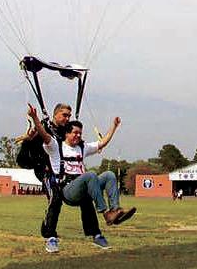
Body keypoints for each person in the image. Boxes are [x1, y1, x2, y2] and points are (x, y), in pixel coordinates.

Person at [28, 103, 135, 252]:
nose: (78, 136)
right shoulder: (55, 147)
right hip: (68, 190)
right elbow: (44, 134)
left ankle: (115, 210)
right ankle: (105, 213)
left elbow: (102, 143)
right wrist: (34, 118)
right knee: (90, 174)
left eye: (80, 133)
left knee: (109, 175)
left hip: (83, 186)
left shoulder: (82, 148)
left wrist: (114, 127)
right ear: (66, 134)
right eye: (75, 133)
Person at [21, 103, 105, 253]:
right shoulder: (42, 130)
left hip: (68, 176)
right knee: (55, 198)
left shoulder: (68, 131)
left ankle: (95, 234)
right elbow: (23, 161)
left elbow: (77, 144)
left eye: (69, 116)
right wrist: (28, 141)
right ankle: (50, 236)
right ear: (55, 115)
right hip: (48, 174)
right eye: (64, 115)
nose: (67, 118)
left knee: (86, 197)